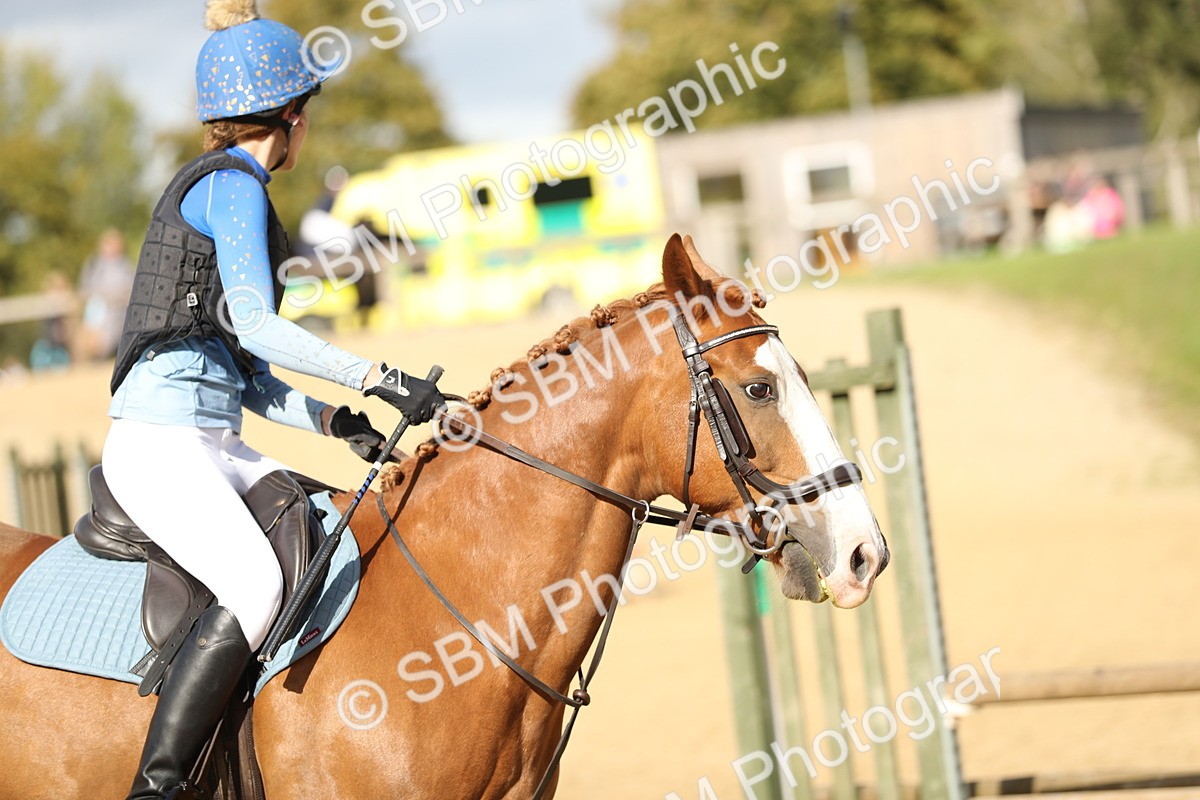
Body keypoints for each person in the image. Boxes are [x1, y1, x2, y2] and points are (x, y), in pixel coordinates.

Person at [101, 2, 445, 798]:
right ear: (292, 118)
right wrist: (378, 377)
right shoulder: (233, 189)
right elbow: (257, 327)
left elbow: (248, 374)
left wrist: (336, 421)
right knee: (255, 586)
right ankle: (158, 786)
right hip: (161, 447)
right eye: (307, 117)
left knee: (331, 525)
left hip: (216, 440)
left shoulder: (238, 196)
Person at [77, 228, 135, 360]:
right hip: (96, 308)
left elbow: (128, 291)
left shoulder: (125, 266)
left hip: (117, 313)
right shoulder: (93, 265)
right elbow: (85, 289)